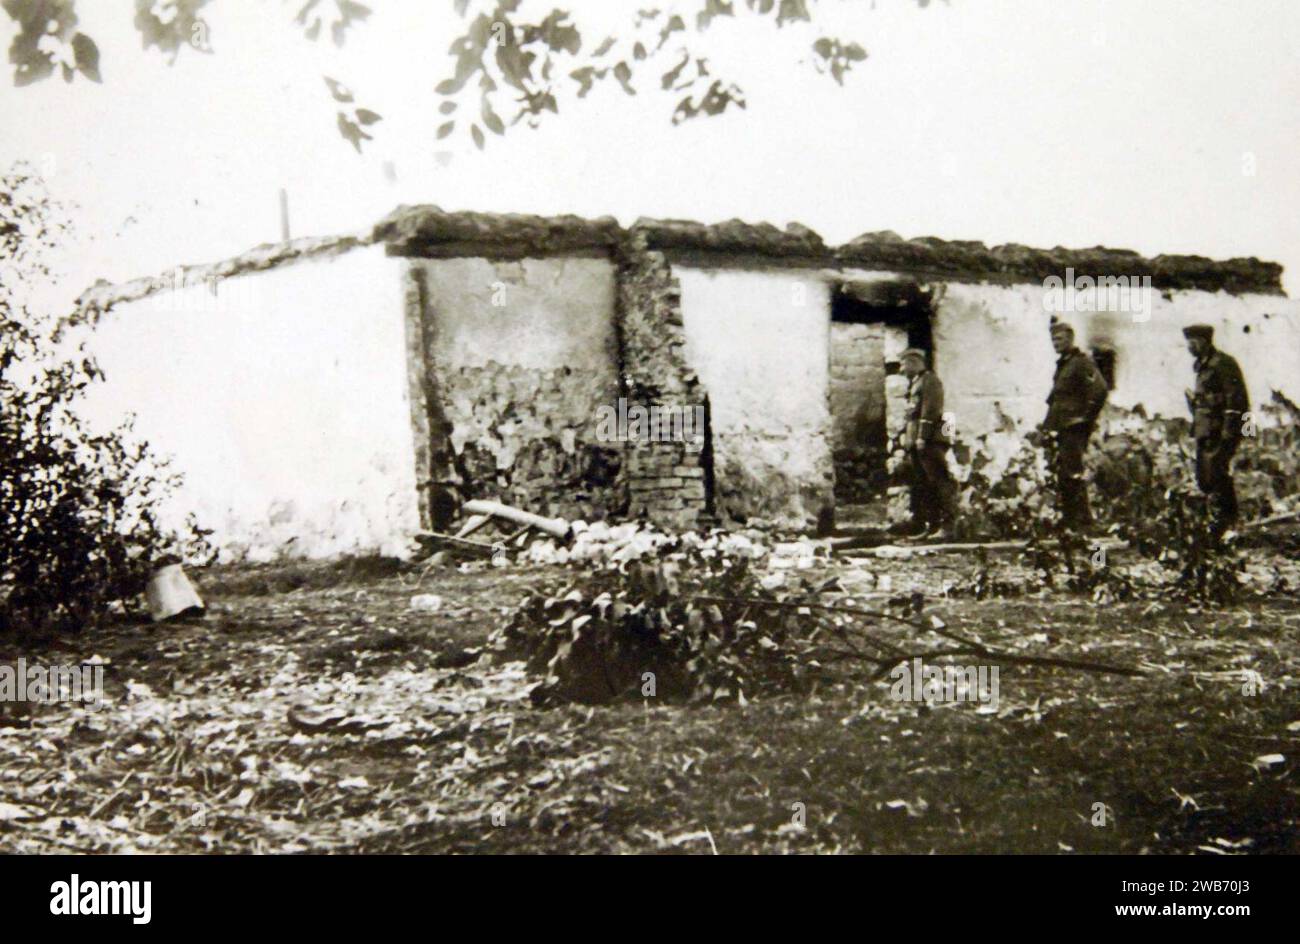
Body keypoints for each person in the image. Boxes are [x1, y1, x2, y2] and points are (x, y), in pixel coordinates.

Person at [1183, 323, 1249, 536]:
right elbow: (1206, 402)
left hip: (1220, 431)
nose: (1189, 347)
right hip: (1205, 430)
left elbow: (1236, 400)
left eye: (1192, 342)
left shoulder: (1223, 363)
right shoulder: (1202, 365)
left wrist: (1230, 432)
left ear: (1204, 341)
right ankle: (1226, 520)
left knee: (1216, 476)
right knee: (1206, 477)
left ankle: (1224, 522)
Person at [1042, 320, 1108, 533]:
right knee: (1063, 474)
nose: (1055, 343)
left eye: (1059, 339)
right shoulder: (1064, 364)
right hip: (1062, 426)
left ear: (1070, 339)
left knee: (1073, 473)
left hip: (1074, 427)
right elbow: (1057, 400)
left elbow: (1099, 390)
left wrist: (1086, 419)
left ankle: (1085, 522)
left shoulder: (1081, 363)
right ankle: (1071, 521)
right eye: (1053, 339)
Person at [900, 347, 958, 539]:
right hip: (918, 441)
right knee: (925, 484)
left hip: (930, 440)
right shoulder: (916, 383)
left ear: (915, 363)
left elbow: (930, 411)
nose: (901, 369)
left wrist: (922, 437)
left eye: (904, 364)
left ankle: (948, 526)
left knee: (939, 482)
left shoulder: (930, 381)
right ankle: (931, 526)